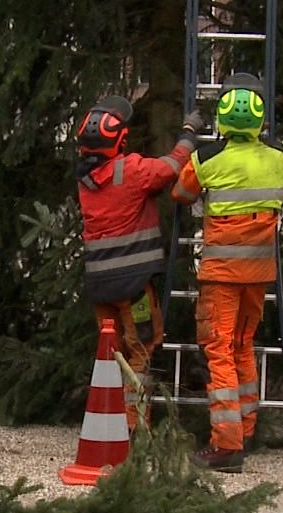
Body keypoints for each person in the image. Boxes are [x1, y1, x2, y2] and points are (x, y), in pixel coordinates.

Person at [171, 73, 283, 472]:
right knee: (243, 345)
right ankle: (244, 431)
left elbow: (181, 193)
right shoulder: (281, 154)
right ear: (261, 116)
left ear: (222, 116)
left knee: (219, 350)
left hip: (221, 274)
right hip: (259, 272)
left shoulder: (208, 158)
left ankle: (226, 445)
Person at [75, 95, 205, 430]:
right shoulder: (132, 170)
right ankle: (133, 428)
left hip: (100, 286)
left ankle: (107, 422)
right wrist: (189, 134)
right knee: (141, 352)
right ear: (120, 141)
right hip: (133, 287)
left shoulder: (85, 180)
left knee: (112, 352)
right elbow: (171, 167)